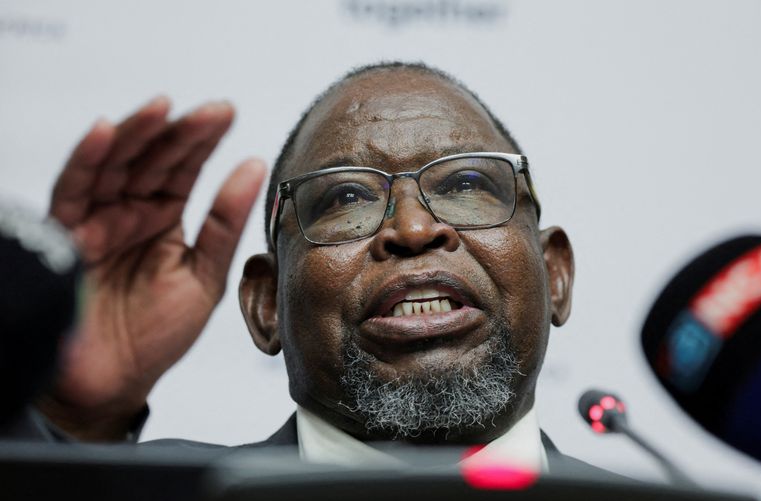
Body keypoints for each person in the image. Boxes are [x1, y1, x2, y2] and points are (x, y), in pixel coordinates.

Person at [36, 62, 581, 470]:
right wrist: (74, 421)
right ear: (267, 303)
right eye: (347, 198)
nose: (414, 230)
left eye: (466, 186)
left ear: (555, 275)